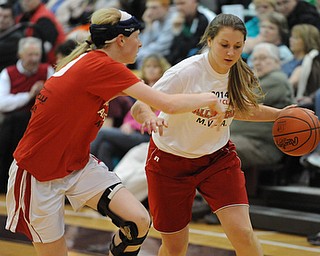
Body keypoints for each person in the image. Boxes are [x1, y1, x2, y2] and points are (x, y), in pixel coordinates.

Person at [5, 8, 226, 256]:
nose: (141, 44)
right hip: (38, 172)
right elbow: (169, 103)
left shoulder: (95, 63)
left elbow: (141, 106)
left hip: (75, 165)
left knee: (137, 221)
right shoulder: (101, 66)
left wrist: (149, 116)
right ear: (121, 40)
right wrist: (209, 98)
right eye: (137, 37)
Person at [131, 13, 309, 256]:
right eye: (225, 45)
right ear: (210, 40)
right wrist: (149, 116)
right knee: (174, 247)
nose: (231, 52)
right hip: (170, 161)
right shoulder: (186, 72)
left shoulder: (239, 72)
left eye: (237, 46)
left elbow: (243, 109)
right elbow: (140, 105)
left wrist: (280, 115)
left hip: (217, 158)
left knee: (243, 233)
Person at [231, 42, 293, 194]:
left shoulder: (277, 79)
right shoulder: (254, 82)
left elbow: (241, 101)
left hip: (262, 145)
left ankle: (205, 201)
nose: (258, 62)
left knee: (223, 148)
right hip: (243, 139)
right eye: (255, 59)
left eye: (264, 58)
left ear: (277, 62)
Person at [91, 54, 170, 170]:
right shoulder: (142, 88)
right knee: (105, 146)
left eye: (155, 67)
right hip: (133, 133)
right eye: (148, 66)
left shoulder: (165, 90)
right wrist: (127, 124)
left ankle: (80, 165)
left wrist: (132, 125)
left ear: (162, 69)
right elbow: (131, 113)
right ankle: (109, 182)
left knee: (102, 133)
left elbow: (156, 117)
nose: (151, 70)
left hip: (145, 136)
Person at [0, 36, 54, 194]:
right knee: (14, 122)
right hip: (11, 122)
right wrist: (29, 95)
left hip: (38, 120)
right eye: (30, 55)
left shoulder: (47, 70)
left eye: (37, 55)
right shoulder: (7, 73)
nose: (34, 59)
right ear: (20, 55)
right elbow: (3, 103)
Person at [165, 0, 216, 66]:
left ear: (194, 2)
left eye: (182, 3)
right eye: (176, 4)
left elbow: (195, 46)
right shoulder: (176, 18)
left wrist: (179, 35)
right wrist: (176, 32)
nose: (179, 7)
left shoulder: (207, 18)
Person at [15, 0, 66, 65]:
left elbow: (46, 48)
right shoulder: (29, 15)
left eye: (28, 0)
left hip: (51, 64)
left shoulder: (44, 18)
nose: (24, 2)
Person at [134, 0, 176, 69]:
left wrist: (137, 55)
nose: (149, 11)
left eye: (154, 8)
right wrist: (148, 25)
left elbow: (161, 46)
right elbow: (141, 45)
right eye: (148, 8)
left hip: (168, 60)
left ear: (166, 7)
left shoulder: (173, 20)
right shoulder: (156, 22)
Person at [0, 3, 25, 71]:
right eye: (0, 16)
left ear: (13, 19)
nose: (1, 20)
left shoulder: (16, 37)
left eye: (6, 17)